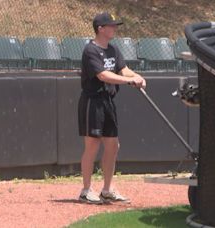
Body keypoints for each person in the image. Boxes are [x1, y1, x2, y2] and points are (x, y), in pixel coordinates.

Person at [78, 12, 146, 204]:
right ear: (100, 28)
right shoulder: (90, 50)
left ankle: (107, 190)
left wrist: (137, 77)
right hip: (93, 101)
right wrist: (128, 81)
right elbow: (103, 75)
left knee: (113, 145)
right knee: (92, 145)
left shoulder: (113, 49)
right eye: (111, 25)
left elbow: (123, 69)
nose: (114, 28)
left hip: (108, 102)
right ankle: (86, 190)